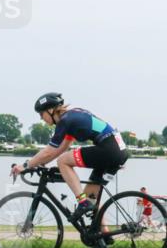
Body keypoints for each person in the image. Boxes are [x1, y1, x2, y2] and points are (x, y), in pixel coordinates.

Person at [12, 92, 129, 222]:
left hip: (109, 149)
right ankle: (104, 233)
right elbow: (61, 148)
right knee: (92, 197)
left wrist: (25, 165)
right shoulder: (72, 116)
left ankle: (82, 202)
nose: (41, 118)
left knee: (62, 161)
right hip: (119, 151)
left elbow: (50, 151)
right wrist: (41, 162)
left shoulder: (65, 121)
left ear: (50, 110)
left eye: (41, 114)